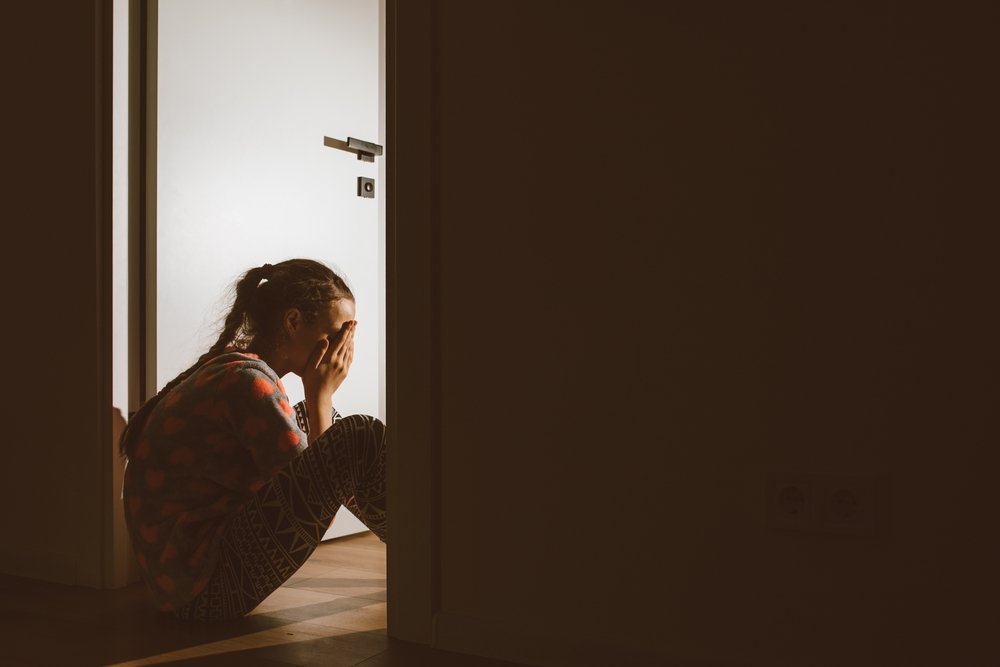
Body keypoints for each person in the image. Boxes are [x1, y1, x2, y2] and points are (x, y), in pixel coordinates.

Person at [120, 259, 386, 621]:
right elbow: (318, 505)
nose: (344, 348)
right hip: (205, 590)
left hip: (185, 587)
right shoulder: (248, 382)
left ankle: (416, 548)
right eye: (338, 334)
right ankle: (427, 558)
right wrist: (320, 394)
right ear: (292, 322)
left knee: (318, 422)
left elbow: (309, 477)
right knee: (358, 435)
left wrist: (317, 404)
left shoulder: (235, 368)